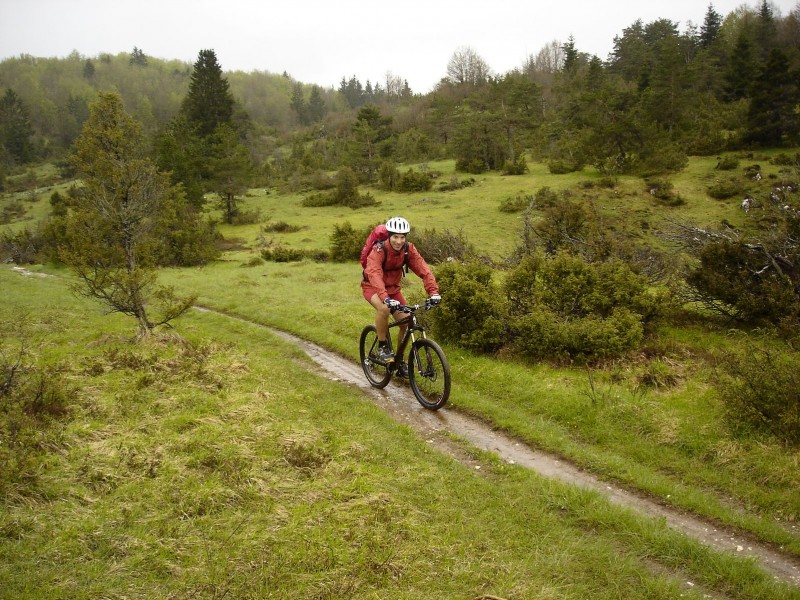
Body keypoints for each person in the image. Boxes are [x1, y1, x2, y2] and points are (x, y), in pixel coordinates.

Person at [361, 216, 441, 376]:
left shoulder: (408, 249)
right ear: (389, 236)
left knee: (406, 321)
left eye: (402, 237)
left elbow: (424, 269)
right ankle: (382, 346)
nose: (399, 241)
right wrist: (385, 297)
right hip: (372, 287)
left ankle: (399, 361)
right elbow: (375, 274)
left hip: (393, 290)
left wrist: (434, 292)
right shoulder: (378, 250)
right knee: (384, 309)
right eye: (395, 237)